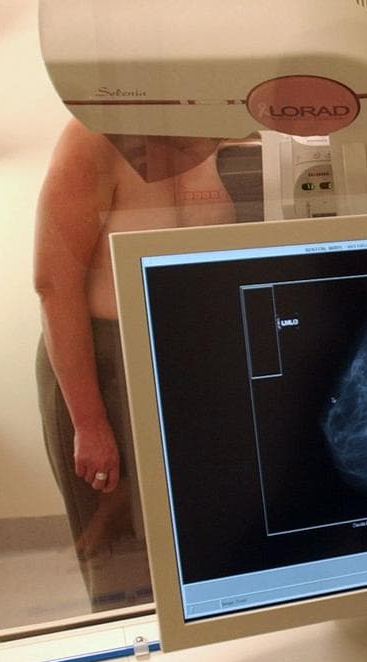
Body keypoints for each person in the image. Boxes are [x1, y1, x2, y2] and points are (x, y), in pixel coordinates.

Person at [34, 119, 235, 611]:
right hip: (106, 362)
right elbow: (53, 284)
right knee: (122, 565)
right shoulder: (94, 135)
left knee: (209, 544)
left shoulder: (236, 127)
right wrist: (89, 422)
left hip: (197, 356)